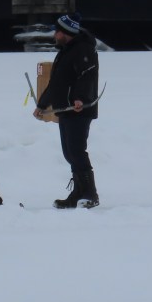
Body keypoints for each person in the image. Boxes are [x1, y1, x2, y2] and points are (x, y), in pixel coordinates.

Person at [35, 12, 100, 208]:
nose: (54, 35)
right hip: (65, 109)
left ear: (66, 32)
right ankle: (78, 192)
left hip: (79, 109)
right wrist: (42, 104)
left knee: (77, 151)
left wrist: (80, 98)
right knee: (69, 153)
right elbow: (57, 82)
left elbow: (87, 77)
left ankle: (90, 193)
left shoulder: (84, 50)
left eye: (57, 31)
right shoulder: (65, 50)